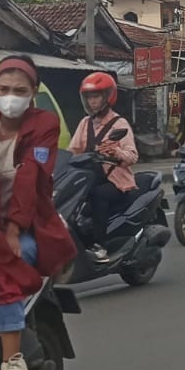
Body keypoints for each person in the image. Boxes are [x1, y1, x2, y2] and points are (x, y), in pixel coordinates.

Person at [0, 56, 77, 370]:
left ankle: (11, 359)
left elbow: (32, 175)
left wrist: (13, 230)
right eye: (4, 89)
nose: (10, 96)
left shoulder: (44, 122)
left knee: (1, 265)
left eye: (19, 90)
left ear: (33, 93)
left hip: (29, 226)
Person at [66, 71, 139, 261]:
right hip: (89, 178)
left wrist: (116, 153)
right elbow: (73, 150)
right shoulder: (84, 123)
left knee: (99, 195)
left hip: (116, 181)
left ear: (108, 97)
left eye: (96, 96)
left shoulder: (119, 123)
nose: (92, 101)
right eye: (89, 97)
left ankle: (100, 246)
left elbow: (132, 156)